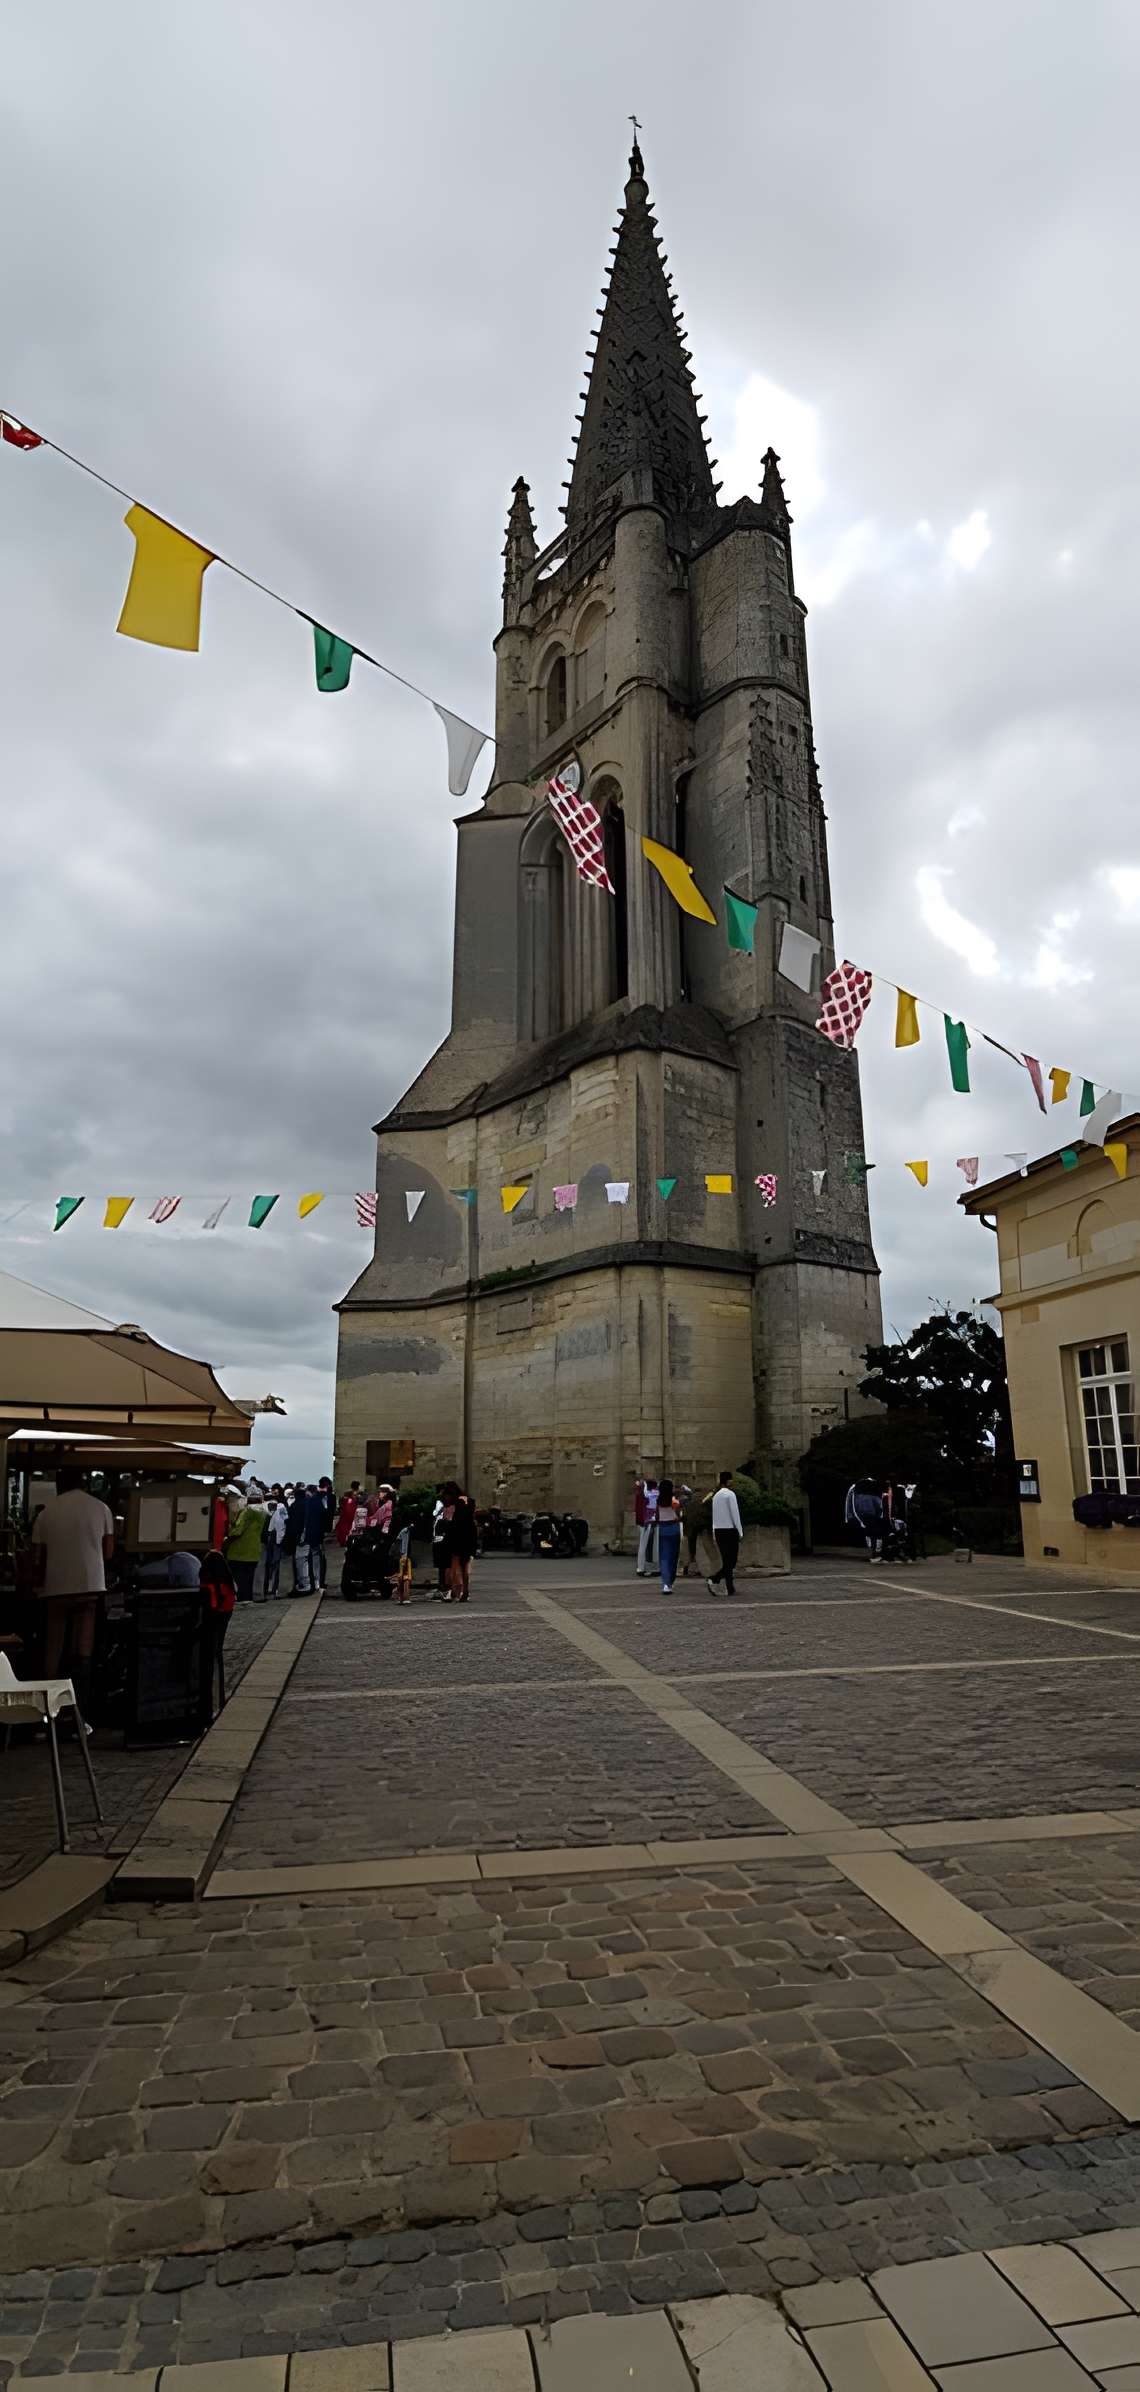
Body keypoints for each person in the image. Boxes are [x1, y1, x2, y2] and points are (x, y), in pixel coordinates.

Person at [29, 1466, 114, 1697]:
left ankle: (50, 1697)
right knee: (83, 1645)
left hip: (56, 1588)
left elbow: (37, 1556)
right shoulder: (101, 1508)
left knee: (54, 1645)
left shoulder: (46, 1513)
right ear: (84, 1483)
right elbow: (108, 1552)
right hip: (90, 1586)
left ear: (59, 1485)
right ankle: (79, 1700)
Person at [200, 1543, 236, 1712]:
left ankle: (211, 1702)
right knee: (217, 1655)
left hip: (209, 1632)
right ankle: (219, 1698)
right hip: (222, 1624)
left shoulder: (208, 1588)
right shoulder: (229, 1588)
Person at [439, 1479, 477, 1601]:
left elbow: (450, 1520)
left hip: (457, 1534)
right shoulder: (469, 1501)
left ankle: (456, 1590)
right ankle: (465, 1590)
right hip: (470, 1534)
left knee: (455, 1562)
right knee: (465, 1563)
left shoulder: (454, 1504)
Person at [707, 1470, 743, 1598]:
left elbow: (714, 1516)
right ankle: (721, 1582)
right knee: (731, 1561)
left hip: (719, 1530)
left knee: (727, 1560)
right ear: (728, 1481)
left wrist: (713, 1531)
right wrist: (740, 1531)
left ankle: (725, 1584)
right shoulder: (730, 1495)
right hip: (730, 1530)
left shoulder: (715, 1496)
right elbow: (735, 1514)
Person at [225, 1490, 267, 1603]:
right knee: (249, 1577)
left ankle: (240, 1598)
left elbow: (238, 1530)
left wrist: (227, 1539)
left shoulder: (248, 1511)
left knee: (239, 1577)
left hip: (239, 1551)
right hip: (254, 1549)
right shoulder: (263, 1512)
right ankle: (248, 1598)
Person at [845, 1478, 885, 1562]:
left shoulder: (857, 1495)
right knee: (874, 1535)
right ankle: (875, 1554)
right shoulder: (873, 1497)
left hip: (863, 1517)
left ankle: (873, 1554)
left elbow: (852, 1507)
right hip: (871, 1517)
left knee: (870, 1535)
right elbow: (880, 1508)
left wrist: (854, 1518)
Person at [656, 1478, 683, 1595]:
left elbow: (656, 1515)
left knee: (664, 1556)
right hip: (674, 1527)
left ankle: (666, 1583)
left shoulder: (658, 1500)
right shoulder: (673, 1501)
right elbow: (678, 1514)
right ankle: (670, 1581)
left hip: (662, 1528)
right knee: (674, 1556)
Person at [301, 1482, 327, 1593]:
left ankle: (312, 1582)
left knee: (308, 1559)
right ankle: (318, 1582)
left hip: (310, 1533)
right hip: (318, 1533)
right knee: (317, 1558)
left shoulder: (307, 1502)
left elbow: (305, 1519)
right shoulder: (319, 1502)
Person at [264, 1487, 288, 1599]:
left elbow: (278, 1527)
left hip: (273, 1539)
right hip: (274, 1539)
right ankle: (273, 1588)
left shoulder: (276, 1511)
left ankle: (272, 1588)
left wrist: (278, 1540)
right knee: (274, 1565)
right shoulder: (280, 1509)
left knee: (272, 1564)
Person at [285, 1483, 308, 1590]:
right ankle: (304, 1582)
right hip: (304, 1536)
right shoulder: (307, 1505)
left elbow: (290, 1522)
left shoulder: (294, 1506)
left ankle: (301, 1582)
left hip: (295, 1536)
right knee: (304, 1561)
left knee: (299, 1561)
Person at [635, 1476, 658, 1577]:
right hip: (649, 1521)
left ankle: (641, 1567)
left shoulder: (641, 1494)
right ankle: (645, 1567)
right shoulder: (651, 1494)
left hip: (644, 1522)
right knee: (651, 1546)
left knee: (643, 1545)